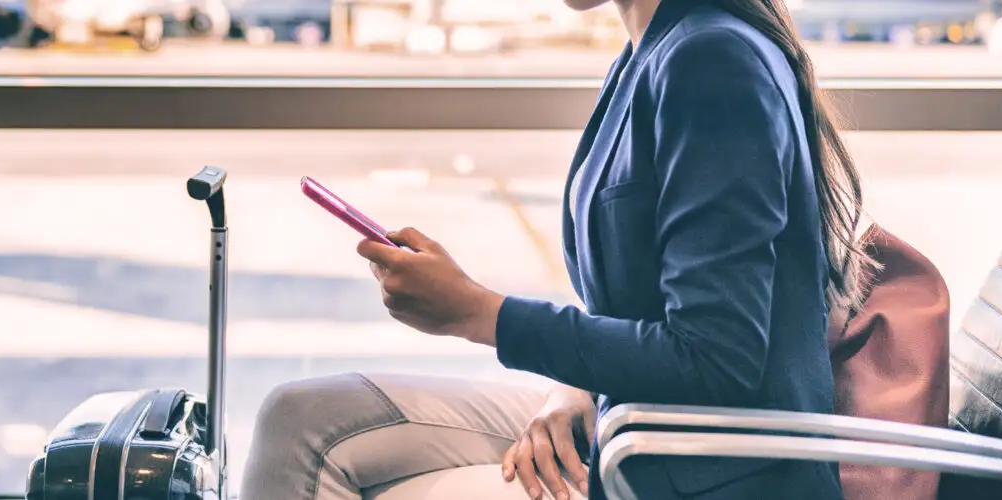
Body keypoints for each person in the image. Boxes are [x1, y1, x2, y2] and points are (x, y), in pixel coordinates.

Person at [239, 0, 873, 498]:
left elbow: (718, 359)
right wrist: (575, 388)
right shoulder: (649, 52)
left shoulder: (711, 60)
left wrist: (477, 313)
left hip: (700, 473)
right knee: (300, 417)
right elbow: (655, 306)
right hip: (633, 424)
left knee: (334, 463)